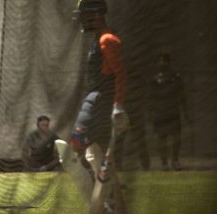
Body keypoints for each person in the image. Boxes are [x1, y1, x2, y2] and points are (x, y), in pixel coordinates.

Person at [70, 0, 129, 212]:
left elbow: (121, 74)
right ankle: (113, 204)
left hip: (102, 103)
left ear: (97, 14)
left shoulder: (108, 39)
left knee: (79, 144)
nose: (82, 19)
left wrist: (118, 105)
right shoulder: (98, 38)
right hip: (97, 100)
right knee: (96, 155)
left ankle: (108, 203)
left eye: (85, 15)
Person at [151, 53, 190, 171]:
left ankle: (175, 161)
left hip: (173, 111)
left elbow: (182, 96)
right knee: (161, 138)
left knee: (176, 138)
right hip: (160, 112)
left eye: (165, 61)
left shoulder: (176, 78)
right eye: (160, 61)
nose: (162, 63)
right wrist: (150, 112)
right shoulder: (155, 80)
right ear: (157, 63)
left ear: (169, 63)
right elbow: (150, 97)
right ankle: (163, 162)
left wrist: (185, 113)